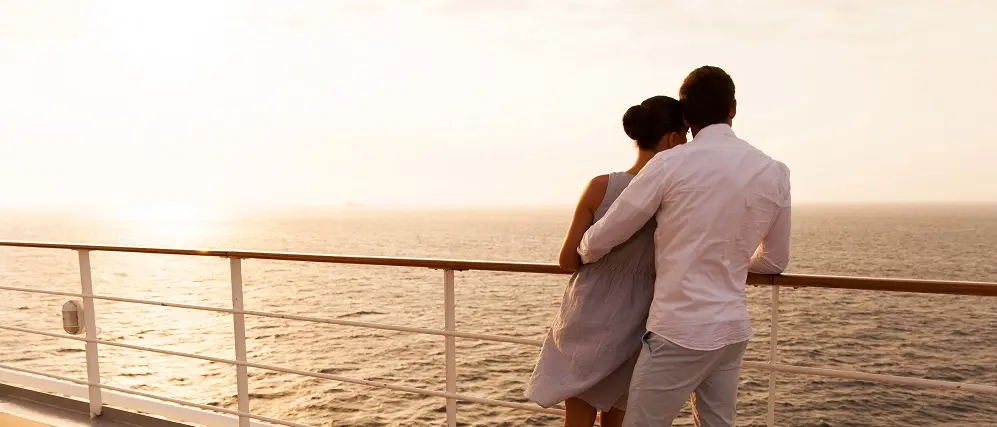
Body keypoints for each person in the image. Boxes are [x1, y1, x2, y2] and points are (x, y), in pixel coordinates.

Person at [577, 66, 791, 427]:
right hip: (731, 331)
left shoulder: (671, 163)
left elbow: (610, 230)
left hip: (679, 332)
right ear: (733, 109)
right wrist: (729, 261)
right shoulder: (774, 171)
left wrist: (583, 251)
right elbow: (774, 260)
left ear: (686, 116)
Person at [525, 96, 689, 427]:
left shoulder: (600, 186)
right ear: (672, 138)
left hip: (586, 314)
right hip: (639, 320)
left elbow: (567, 260)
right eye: (684, 135)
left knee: (577, 419)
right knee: (617, 421)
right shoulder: (675, 197)